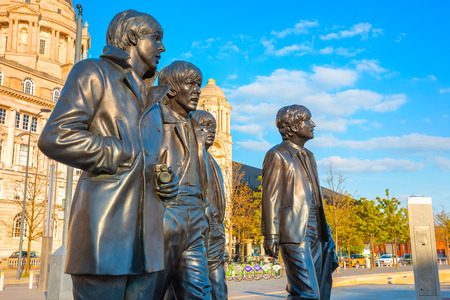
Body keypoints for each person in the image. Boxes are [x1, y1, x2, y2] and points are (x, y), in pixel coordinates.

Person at [38, 10, 176, 300]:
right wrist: (119, 152)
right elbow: (55, 136)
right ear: (133, 37)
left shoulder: (153, 101)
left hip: (146, 246)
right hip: (104, 237)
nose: (162, 47)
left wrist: (163, 181)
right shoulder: (93, 72)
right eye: (157, 38)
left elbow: (148, 161)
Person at [141, 61, 211, 299]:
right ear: (171, 89)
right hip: (164, 215)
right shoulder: (152, 119)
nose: (197, 90)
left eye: (199, 85)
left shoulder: (196, 128)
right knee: (151, 290)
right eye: (191, 84)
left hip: (195, 220)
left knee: (199, 292)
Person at [261, 105, 338, 300]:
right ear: (294, 127)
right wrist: (270, 234)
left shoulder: (309, 156)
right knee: (308, 293)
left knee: (321, 290)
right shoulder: (277, 155)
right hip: (294, 231)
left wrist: (327, 232)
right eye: (307, 120)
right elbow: (270, 197)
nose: (312, 124)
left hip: (317, 231)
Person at [192, 110, 228, 300]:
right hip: (196, 229)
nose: (211, 131)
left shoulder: (214, 162)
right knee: (196, 285)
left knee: (218, 283)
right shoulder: (186, 158)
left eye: (213, 127)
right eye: (205, 126)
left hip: (216, 229)